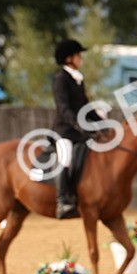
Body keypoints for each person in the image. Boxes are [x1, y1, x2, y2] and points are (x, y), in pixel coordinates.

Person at [50, 38, 98, 219]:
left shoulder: (78, 78)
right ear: (69, 58)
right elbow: (63, 108)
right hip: (65, 131)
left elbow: (86, 105)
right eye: (79, 55)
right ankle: (63, 201)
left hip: (80, 131)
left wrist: (101, 122)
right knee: (66, 158)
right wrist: (78, 124)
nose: (81, 59)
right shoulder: (60, 78)